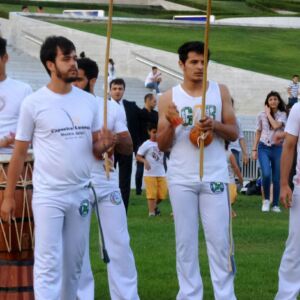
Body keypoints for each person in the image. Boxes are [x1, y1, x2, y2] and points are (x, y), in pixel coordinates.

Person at [0, 36, 115, 300]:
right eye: (67, 58)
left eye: (74, 57)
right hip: (49, 195)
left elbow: (96, 150)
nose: (74, 63)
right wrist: (8, 197)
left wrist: (105, 145)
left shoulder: (88, 102)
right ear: (51, 64)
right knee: (48, 264)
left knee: (74, 265)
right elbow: (19, 153)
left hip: (81, 193)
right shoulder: (34, 103)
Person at [157, 41, 238, 300]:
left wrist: (214, 125)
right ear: (181, 64)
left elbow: (234, 132)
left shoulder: (219, 91)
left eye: (203, 62)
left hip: (214, 175)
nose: (200, 67)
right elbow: (162, 143)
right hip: (181, 177)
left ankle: (225, 295)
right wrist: (171, 123)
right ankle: (189, 295)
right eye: (193, 62)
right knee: (185, 242)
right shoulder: (168, 97)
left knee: (220, 242)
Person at [73, 54, 139, 300]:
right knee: (76, 247)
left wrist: (114, 139)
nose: (74, 84)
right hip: (76, 182)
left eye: (79, 80)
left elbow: (129, 147)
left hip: (105, 180)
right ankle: (81, 296)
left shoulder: (110, 108)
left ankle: (126, 296)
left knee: (120, 243)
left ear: (92, 80)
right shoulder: (65, 106)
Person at [275, 101, 300, 300]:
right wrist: (284, 184)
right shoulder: (299, 109)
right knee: (296, 246)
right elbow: (289, 145)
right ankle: (286, 296)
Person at [252, 91, 287, 213]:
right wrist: (254, 149)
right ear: (267, 102)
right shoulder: (261, 115)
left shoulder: (282, 114)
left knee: (276, 177)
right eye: (271, 99)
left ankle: (275, 204)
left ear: (279, 101)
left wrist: (268, 114)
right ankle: (266, 200)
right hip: (263, 147)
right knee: (266, 174)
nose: (273, 101)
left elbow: (276, 125)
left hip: (278, 148)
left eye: (275, 99)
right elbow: (258, 132)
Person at [110, 78, 141, 212]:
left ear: (124, 90)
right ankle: (108, 204)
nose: (117, 91)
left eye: (120, 89)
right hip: (110, 147)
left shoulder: (131, 105)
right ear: (110, 90)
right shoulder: (103, 106)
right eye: (114, 89)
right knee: (107, 176)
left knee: (125, 178)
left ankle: (123, 208)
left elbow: (143, 117)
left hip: (126, 147)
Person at [0, 37, 32, 153]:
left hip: (12, 158)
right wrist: (3, 142)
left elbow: (29, 128)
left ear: (5, 58)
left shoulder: (23, 89)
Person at [136, 123, 167, 216]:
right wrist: (144, 161)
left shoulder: (162, 142)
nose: (156, 134)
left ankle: (153, 207)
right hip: (150, 174)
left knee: (162, 195)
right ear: (149, 132)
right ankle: (152, 213)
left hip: (161, 172)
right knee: (151, 195)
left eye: (158, 132)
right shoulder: (146, 144)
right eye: (154, 132)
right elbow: (138, 156)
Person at [135, 93, 158, 195]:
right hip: (141, 143)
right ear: (148, 100)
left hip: (154, 144)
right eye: (154, 101)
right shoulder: (139, 113)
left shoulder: (156, 114)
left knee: (158, 165)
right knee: (140, 167)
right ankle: (138, 190)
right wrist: (138, 143)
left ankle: (157, 188)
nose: (155, 103)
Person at [229, 98, 248, 169]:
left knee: (236, 169)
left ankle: (238, 179)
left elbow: (241, 138)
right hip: (221, 150)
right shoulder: (218, 119)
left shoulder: (236, 121)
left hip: (234, 149)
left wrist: (245, 154)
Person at [225, 141, 243, 218]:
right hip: (226, 181)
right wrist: (240, 178)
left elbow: (235, 167)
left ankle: (229, 211)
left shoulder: (229, 154)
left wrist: (240, 178)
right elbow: (236, 168)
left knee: (229, 199)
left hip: (229, 181)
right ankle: (230, 212)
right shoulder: (229, 154)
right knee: (226, 200)